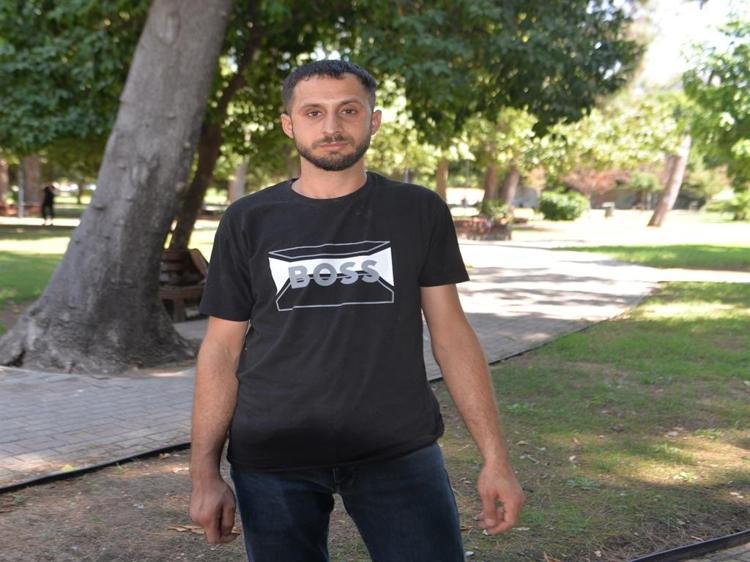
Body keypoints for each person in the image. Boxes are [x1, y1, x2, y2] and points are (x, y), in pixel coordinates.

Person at [189, 60, 525, 562]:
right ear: (289, 124)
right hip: (274, 456)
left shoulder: (417, 210)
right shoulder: (247, 220)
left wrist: (495, 457)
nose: (331, 127)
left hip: (397, 448)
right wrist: (204, 474)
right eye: (313, 112)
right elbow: (221, 350)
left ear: (374, 120)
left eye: (348, 110)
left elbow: (452, 334)